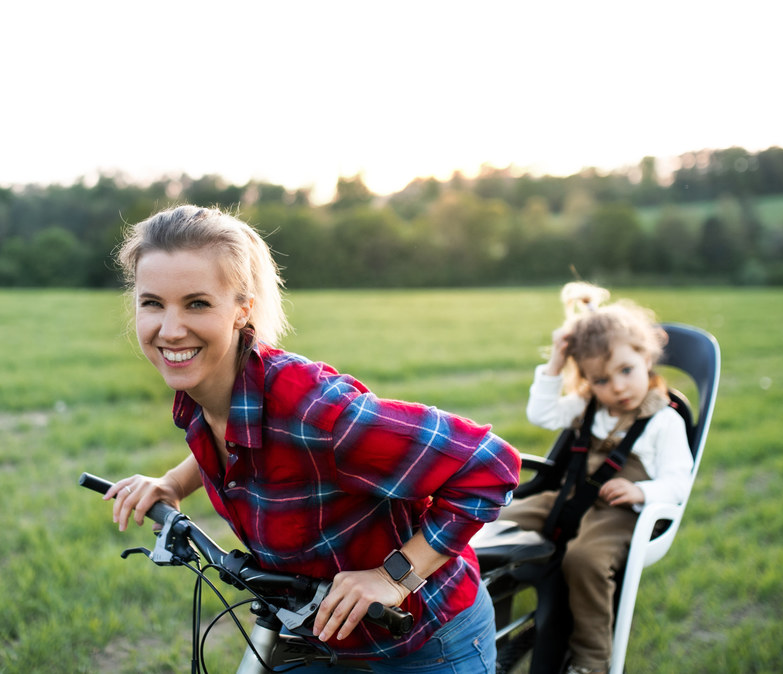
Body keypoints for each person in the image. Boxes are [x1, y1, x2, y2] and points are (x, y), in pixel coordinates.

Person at [102, 205, 520, 671]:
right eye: (152, 303)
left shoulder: (315, 412)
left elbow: (490, 462)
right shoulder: (202, 391)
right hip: (310, 629)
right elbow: (237, 445)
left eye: (197, 303)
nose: (171, 329)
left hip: (421, 638)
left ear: (243, 310)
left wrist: (394, 577)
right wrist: (175, 484)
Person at [499, 282, 693, 674]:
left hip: (621, 511)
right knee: (494, 523)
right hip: (568, 496)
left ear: (647, 356)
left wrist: (640, 490)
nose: (618, 387)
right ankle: (481, 620)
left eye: (626, 371)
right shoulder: (588, 406)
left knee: (585, 559)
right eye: (602, 380)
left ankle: (591, 659)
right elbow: (542, 414)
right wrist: (556, 361)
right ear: (588, 380)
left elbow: (679, 482)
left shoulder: (664, 421)